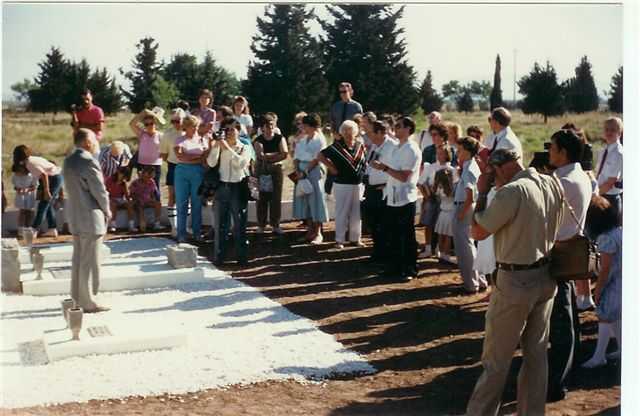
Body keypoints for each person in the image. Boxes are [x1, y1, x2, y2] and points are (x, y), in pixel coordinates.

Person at [467, 149, 564, 416]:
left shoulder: (512, 192)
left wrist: (483, 193)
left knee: (496, 361)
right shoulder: (550, 182)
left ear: (498, 168)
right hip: (545, 276)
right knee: (536, 356)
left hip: (515, 281)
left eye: (492, 174)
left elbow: (478, 230)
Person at [546, 129, 593, 401]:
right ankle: (565, 371)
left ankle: (557, 382)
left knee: (561, 322)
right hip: (569, 250)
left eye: (552, 148)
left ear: (563, 152)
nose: (549, 151)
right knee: (568, 317)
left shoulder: (561, 181)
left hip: (559, 253)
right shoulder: (580, 175)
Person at [62, 128, 111, 313]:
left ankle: (77, 297)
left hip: (75, 215)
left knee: (78, 259)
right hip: (90, 216)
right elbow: (99, 190)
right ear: (87, 142)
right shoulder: (88, 161)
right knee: (89, 261)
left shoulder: (68, 160)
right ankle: (88, 301)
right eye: (93, 139)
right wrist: (107, 210)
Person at [371, 116, 420, 281]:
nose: (396, 129)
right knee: (392, 234)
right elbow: (393, 172)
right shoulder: (397, 147)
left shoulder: (411, 149)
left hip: (405, 198)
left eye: (399, 126)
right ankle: (394, 267)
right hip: (392, 196)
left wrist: (384, 168)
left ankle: (409, 269)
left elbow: (404, 176)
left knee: (406, 235)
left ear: (408, 129)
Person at [581, 196, 622, 368]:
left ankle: (599, 356)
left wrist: (598, 290)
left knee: (605, 317)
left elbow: (605, 269)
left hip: (613, 284)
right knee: (616, 318)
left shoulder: (605, 238)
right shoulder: (619, 231)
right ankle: (622, 348)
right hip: (622, 281)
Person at [207, 117, 252, 265]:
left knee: (239, 223)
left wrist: (228, 148)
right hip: (222, 187)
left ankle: (242, 257)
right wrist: (216, 146)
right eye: (227, 129)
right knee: (221, 224)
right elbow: (211, 162)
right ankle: (219, 257)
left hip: (238, 187)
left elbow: (241, 164)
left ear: (239, 131)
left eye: (233, 129)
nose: (230, 132)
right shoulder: (220, 145)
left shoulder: (244, 147)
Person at [319, 120, 367, 249]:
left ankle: (356, 238)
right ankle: (339, 240)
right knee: (342, 212)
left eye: (350, 130)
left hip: (358, 184)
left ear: (355, 131)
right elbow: (320, 156)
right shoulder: (336, 146)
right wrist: (331, 167)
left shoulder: (360, 145)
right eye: (345, 130)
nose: (347, 133)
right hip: (342, 184)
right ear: (341, 132)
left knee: (357, 213)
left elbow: (364, 163)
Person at [453, 136, 486, 294]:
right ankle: (479, 280)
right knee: (468, 245)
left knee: (465, 247)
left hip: (464, 207)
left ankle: (471, 284)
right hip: (465, 207)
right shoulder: (468, 165)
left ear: (467, 151)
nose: (457, 153)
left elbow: (470, 195)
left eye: (459, 150)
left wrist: (461, 213)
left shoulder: (469, 167)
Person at [362, 120, 397, 263]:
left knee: (384, 225)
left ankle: (386, 256)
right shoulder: (375, 146)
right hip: (371, 189)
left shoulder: (392, 146)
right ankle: (378, 253)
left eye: (370, 132)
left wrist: (388, 184)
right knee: (374, 224)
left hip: (383, 190)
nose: (368, 135)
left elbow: (397, 168)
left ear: (380, 132)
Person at [292, 113, 329, 244]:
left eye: (306, 125)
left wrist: (306, 171)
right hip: (301, 172)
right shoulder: (302, 140)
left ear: (313, 126)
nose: (303, 127)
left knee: (316, 200)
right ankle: (309, 231)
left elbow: (318, 158)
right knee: (305, 201)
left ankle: (318, 233)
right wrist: (297, 170)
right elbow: (296, 157)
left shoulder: (320, 139)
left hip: (313, 172)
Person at [13, 145, 64, 238]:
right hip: (55, 177)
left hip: (54, 178)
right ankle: (52, 229)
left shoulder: (29, 163)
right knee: (47, 205)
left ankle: (34, 229)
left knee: (43, 204)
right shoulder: (31, 159)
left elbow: (44, 175)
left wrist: (46, 191)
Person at [418, 142, 458, 259]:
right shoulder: (430, 167)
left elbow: (453, 187)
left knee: (443, 227)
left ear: (448, 155)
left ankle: (440, 250)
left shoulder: (453, 170)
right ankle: (428, 248)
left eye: (442, 154)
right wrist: (427, 197)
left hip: (447, 201)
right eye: (438, 153)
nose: (439, 156)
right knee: (429, 224)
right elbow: (420, 183)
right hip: (432, 199)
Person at [174, 115, 209, 243]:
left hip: (198, 173)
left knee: (197, 203)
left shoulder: (202, 140)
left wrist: (191, 157)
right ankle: (181, 234)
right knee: (182, 204)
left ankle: (197, 233)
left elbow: (205, 157)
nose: (194, 129)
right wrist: (197, 158)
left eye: (196, 126)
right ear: (186, 127)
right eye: (191, 126)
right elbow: (180, 157)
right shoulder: (179, 139)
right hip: (182, 172)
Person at [254, 114, 288, 234]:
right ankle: (261, 224)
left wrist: (269, 157)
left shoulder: (280, 138)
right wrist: (275, 155)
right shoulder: (258, 140)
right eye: (268, 126)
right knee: (261, 197)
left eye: (273, 125)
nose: (271, 128)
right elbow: (260, 155)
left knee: (276, 198)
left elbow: (284, 153)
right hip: (261, 170)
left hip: (276, 171)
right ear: (262, 127)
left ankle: (275, 224)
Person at [160, 108, 186, 237]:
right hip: (173, 166)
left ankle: (186, 226)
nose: (176, 123)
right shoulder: (167, 134)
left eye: (178, 120)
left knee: (187, 197)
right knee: (172, 196)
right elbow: (163, 155)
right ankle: (174, 227)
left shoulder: (190, 132)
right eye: (173, 121)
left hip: (188, 165)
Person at [129, 109, 164, 198]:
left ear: (155, 124)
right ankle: (142, 205)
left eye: (151, 123)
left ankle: (157, 205)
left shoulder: (160, 135)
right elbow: (132, 124)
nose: (149, 126)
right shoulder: (141, 134)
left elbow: (165, 149)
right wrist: (143, 113)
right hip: (142, 164)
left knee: (155, 186)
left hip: (155, 165)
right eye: (146, 124)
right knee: (142, 186)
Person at [595, 117, 623, 215]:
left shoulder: (619, 154)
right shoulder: (602, 151)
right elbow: (598, 174)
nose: (609, 132)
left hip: (611, 200)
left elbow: (610, 183)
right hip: (599, 196)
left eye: (613, 130)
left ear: (619, 132)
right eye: (606, 129)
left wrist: (593, 195)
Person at [433, 168, 456, 264]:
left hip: (443, 213)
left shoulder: (439, 188)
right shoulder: (453, 188)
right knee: (448, 236)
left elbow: (438, 198)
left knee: (441, 234)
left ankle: (440, 253)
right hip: (450, 214)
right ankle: (446, 255)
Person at [130, 166, 162, 232]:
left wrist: (153, 200)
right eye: (148, 176)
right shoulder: (135, 182)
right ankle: (137, 225)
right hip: (138, 201)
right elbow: (131, 194)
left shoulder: (152, 182)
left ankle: (157, 224)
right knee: (140, 208)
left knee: (158, 204)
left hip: (147, 200)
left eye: (151, 176)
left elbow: (152, 193)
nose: (149, 178)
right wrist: (137, 200)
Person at [11, 160, 38, 236]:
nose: (18, 173)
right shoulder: (15, 176)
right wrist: (18, 189)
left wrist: (27, 189)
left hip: (30, 195)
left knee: (30, 212)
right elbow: (15, 186)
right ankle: (21, 229)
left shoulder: (31, 175)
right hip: (20, 195)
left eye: (19, 171)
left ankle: (29, 228)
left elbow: (35, 186)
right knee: (22, 211)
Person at [105, 167, 136, 233]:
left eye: (125, 176)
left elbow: (127, 195)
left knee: (129, 205)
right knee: (113, 205)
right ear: (118, 172)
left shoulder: (123, 183)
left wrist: (130, 200)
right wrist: (111, 199)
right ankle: (113, 225)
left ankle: (131, 225)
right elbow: (105, 192)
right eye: (122, 174)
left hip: (120, 199)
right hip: (110, 199)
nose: (123, 177)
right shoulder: (110, 180)